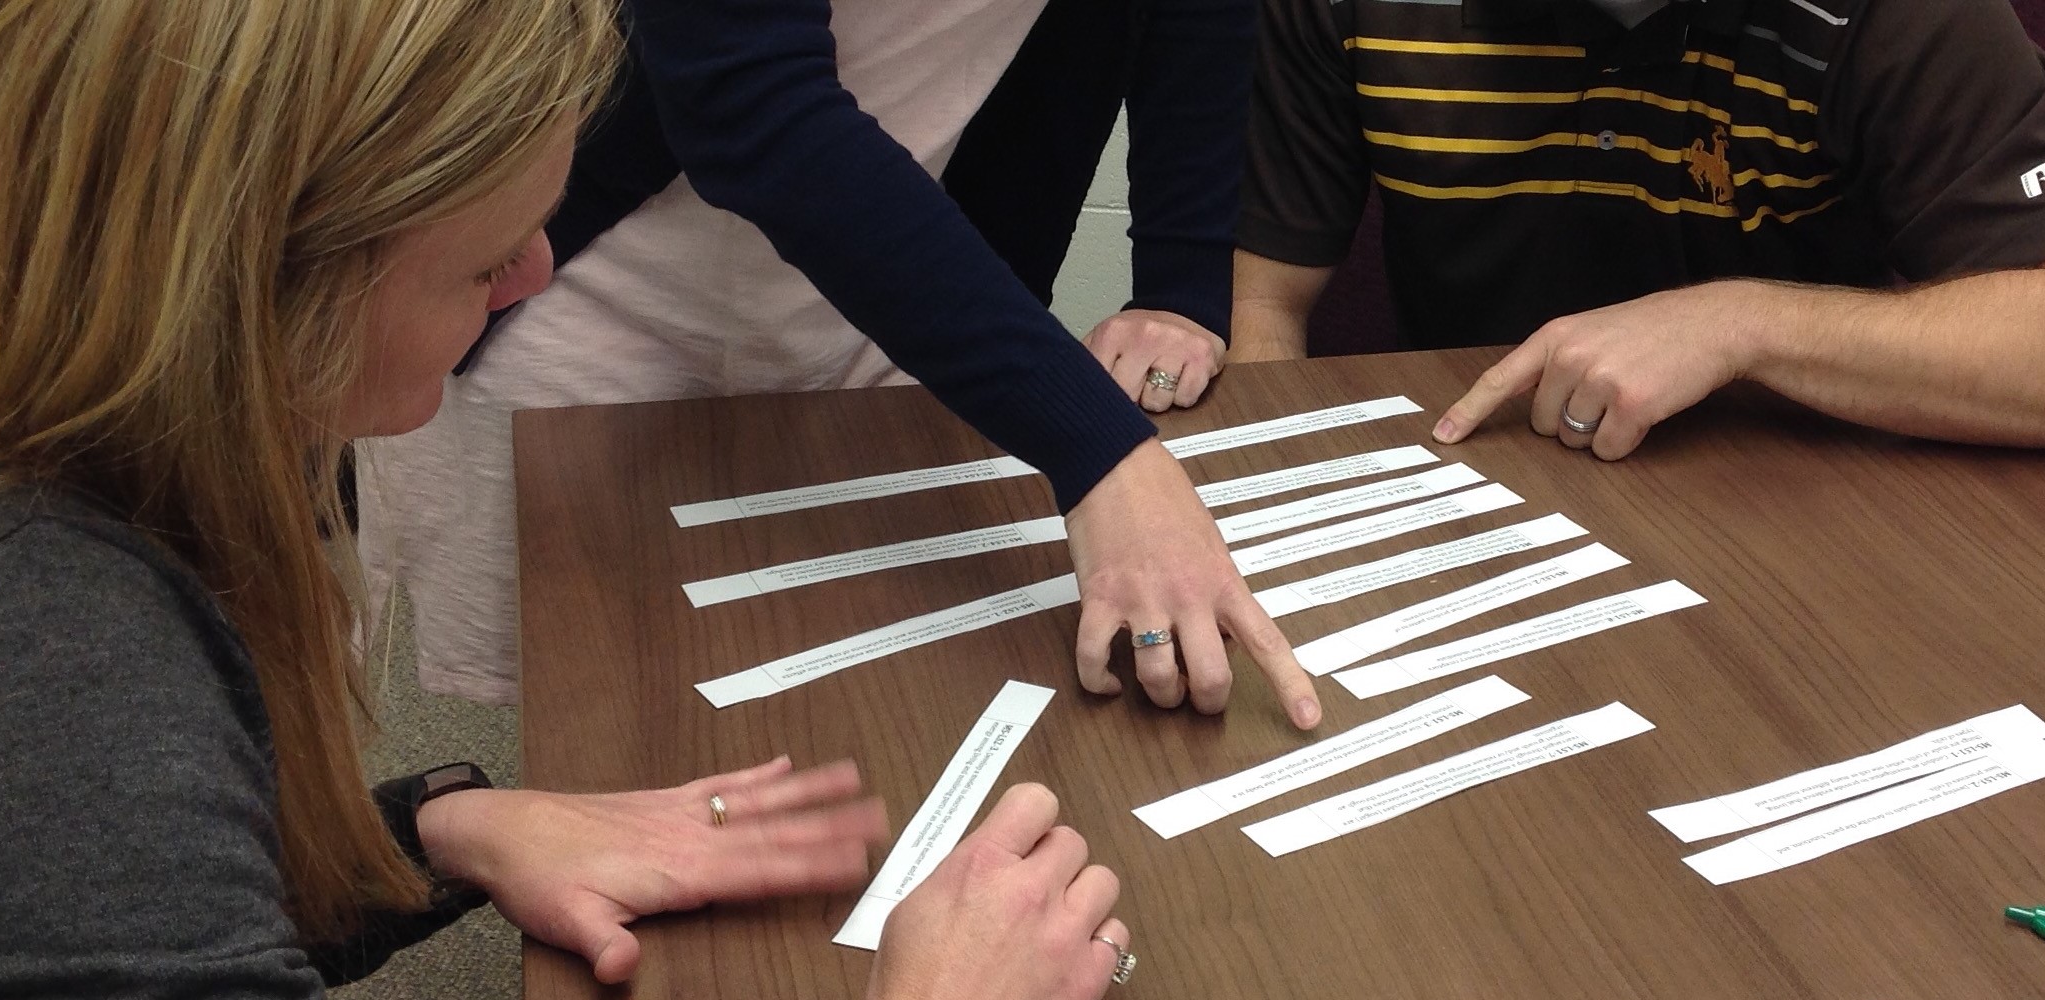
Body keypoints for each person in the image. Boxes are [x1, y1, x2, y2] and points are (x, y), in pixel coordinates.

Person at [0, 3, 1132, 1000]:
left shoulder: (3, 547)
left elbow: (40, 933)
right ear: (247, 277)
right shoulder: (30, 660)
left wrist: (431, 832)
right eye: (484, 262)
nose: (539, 275)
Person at [359, 0, 1323, 733]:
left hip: (898, 273)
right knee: (619, 711)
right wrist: (1101, 451)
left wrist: (1180, 279)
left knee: (872, 700)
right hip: (603, 274)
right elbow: (745, 96)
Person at [1231, 0, 2045, 461]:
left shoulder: (1897, 15)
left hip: (1803, 498)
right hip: (1472, 475)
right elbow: (1262, 306)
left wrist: (1745, 323)